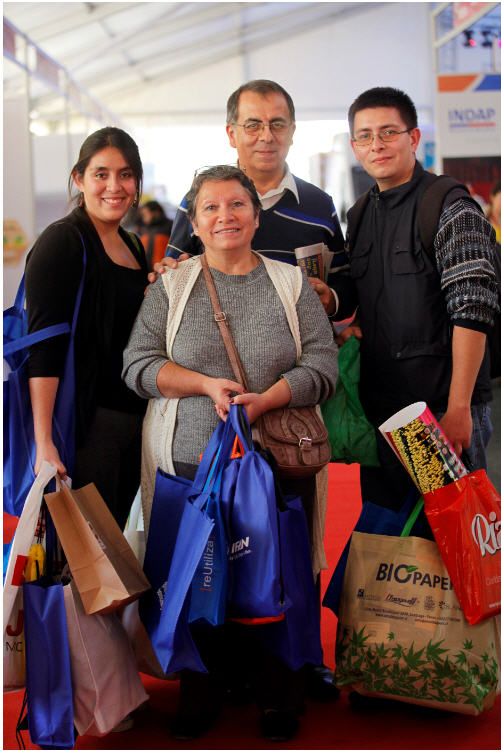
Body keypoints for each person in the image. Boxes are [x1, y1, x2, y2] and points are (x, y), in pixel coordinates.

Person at [123, 165, 337, 742]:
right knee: (196, 577)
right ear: (193, 222)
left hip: (275, 463)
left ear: (256, 214)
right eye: (211, 208)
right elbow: (137, 366)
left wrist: (264, 400)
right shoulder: (171, 288)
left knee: (281, 578)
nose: (226, 217)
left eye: (237, 205)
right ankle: (202, 687)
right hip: (189, 465)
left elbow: (322, 367)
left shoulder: (290, 284)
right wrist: (204, 385)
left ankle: (280, 693)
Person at [341, 86, 499, 513]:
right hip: (383, 413)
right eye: (365, 135)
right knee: (393, 541)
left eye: (389, 132)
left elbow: (473, 310)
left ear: (413, 138)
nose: (377, 144)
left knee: (448, 535)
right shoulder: (358, 215)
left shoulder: (449, 206)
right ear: (354, 145)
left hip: (433, 415)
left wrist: (458, 408)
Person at [25, 127, 149, 530]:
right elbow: (44, 347)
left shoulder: (132, 244)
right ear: (79, 179)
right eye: (101, 174)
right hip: (85, 426)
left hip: (132, 422)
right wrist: (44, 441)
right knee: (85, 556)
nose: (114, 186)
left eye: (125, 174)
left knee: (111, 550)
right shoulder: (64, 239)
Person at [163, 79, 355, 321]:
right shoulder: (200, 203)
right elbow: (173, 275)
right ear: (232, 134)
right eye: (253, 126)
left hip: (302, 353)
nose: (267, 136)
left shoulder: (319, 204)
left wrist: (332, 299)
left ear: (292, 132)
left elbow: (344, 282)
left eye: (277, 124)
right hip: (217, 351)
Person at [139, 200, 173, 271]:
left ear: (156, 213)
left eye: (145, 214)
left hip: (164, 271)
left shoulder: (170, 226)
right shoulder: (144, 229)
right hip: (147, 273)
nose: (143, 217)